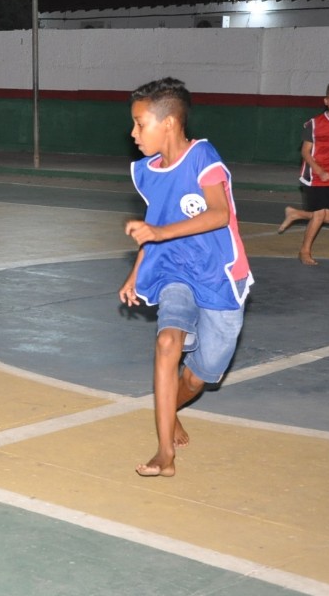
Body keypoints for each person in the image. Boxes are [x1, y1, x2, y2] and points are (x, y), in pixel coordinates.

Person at [118, 77, 253, 477]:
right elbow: (154, 225)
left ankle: (172, 405)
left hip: (218, 277)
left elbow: (218, 214)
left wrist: (157, 233)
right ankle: (164, 453)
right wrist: (136, 272)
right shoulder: (147, 171)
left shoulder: (202, 156)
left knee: (198, 377)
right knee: (166, 342)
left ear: (170, 123)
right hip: (173, 271)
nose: (134, 133)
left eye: (141, 124)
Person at [277, 80, 329, 265]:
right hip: (314, 174)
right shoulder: (315, 124)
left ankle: (296, 214)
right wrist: (319, 171)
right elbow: (305, 152)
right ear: (325, 100)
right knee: (320, 214)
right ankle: (304, 252)